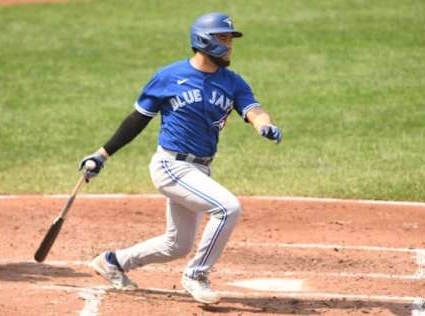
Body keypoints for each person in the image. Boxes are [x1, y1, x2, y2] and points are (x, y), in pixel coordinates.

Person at [80, 12, 282, 304]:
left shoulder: (233, 82)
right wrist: (102, 155)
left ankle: (113, 262)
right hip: (171, 165)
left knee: (177, 244)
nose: (229, 46)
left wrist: (264, 124)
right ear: (204, 41)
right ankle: (196, 275)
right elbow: (137, 120)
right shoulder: (169, 77)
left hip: (200, 171)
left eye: (230, 39)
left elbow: (253, 109)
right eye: (223, 39)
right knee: (228, 208)